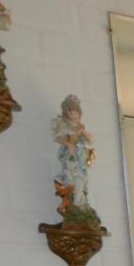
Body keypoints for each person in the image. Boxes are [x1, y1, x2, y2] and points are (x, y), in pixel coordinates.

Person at [51, 94, 98, 223]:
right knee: (74, 176)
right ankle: (77, 202)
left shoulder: (80, 127)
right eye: (71, 112)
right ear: (66, 113)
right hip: (71, 155)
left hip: (81, 154)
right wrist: (68, 144)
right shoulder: (64, 126)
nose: (74, 115)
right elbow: (57, 137)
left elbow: (91, 140)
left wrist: (82, 131)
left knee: (81, 176)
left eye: (76, 113)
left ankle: (80, 201)